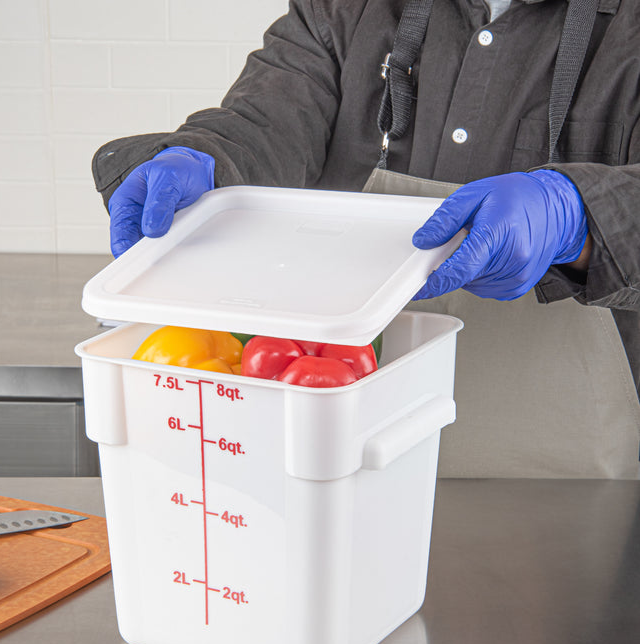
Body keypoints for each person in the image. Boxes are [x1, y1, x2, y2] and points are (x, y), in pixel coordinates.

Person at [91, 0, 640, 479]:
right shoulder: (347, 8)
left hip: (569, 490)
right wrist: (207, 157)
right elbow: (266, 122)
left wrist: (578, 215)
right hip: (331, 458)